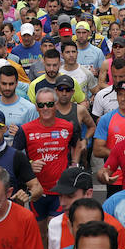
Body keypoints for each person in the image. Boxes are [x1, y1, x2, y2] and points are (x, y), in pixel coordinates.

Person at [13, 87, 80, 239]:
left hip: (60, 191)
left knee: (55, 231)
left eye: (49, 104)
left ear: (55, 105)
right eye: (41, 105)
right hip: (37, 192)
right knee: (41, 233)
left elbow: (78, 144)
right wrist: (29, 165)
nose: (45, 108)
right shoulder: (25, 130)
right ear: (36, 107)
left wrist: (74, 163)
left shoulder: (68, 126)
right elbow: (14, 158)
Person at [47, 168, 125, 249]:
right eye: (60, 196)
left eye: (70, 196)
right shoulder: (54, 224)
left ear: (88, 194)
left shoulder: (116, 228)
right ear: (70, 226)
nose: (62, 203)